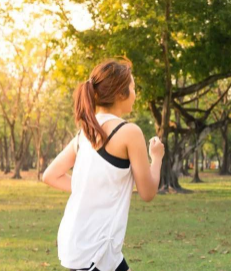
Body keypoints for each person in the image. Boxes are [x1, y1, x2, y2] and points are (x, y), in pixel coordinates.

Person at [42, 58, 165, 271]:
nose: (135, 94)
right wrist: (157, 158)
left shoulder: (85, 133)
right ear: (120, 93)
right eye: (133, 88)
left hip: (79, 242)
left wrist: (91, 188)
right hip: (97, 250)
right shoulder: (129, 132)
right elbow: (148, 192)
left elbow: (50, 175)